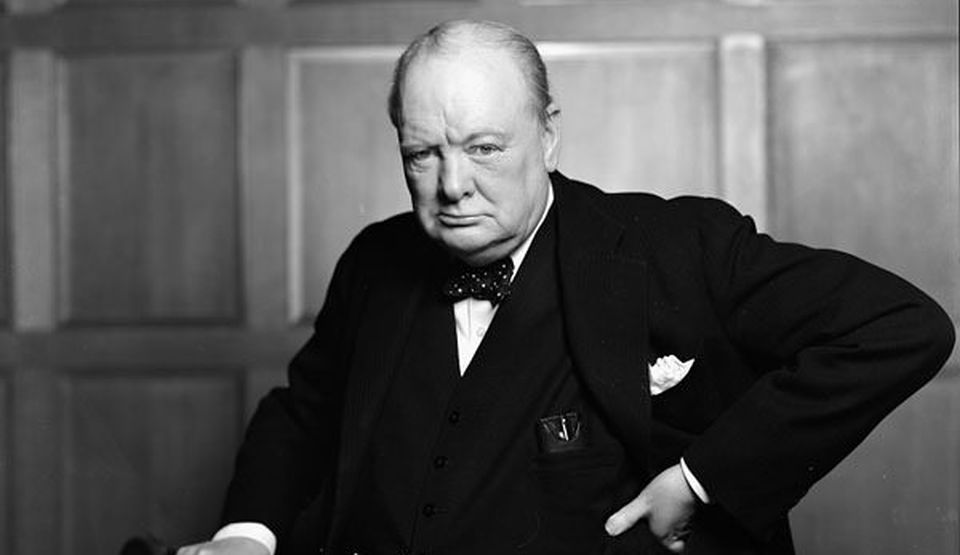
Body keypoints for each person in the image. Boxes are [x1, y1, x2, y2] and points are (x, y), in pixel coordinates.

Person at [178, 19, 954, 555]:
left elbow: (901, 325)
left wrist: (702, 480)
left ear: (549, 135)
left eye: (484, 147)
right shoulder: (375, 259)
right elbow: (303, 412)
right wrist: (247, 534)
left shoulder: (673, 245)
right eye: (422, 153)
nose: (453, 185)